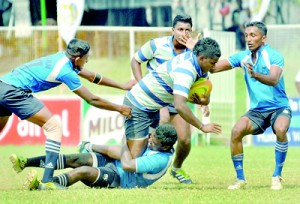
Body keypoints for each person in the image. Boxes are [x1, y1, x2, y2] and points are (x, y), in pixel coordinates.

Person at [1, 38, 135, 190]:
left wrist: (122, 86)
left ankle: (46, 180)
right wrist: (120, 108)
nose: (87, 60)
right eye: (86, 58)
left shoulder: (63, 58)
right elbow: (92, 99)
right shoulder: (65, 71)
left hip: (2, 85)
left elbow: (92, 77)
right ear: (77, 58)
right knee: (54, 126)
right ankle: (47, 180)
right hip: (13, 92)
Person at [210, 21, 291, 190]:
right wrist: (197, 53)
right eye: (246, 35)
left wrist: (256, 75)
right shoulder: (243, 57)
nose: (248, 39)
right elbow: (214, 68)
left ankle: (276, 176)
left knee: (281, 129)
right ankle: (240, 179)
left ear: (263, 38)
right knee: (236, 131)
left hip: (278, 107)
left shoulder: (274, 55)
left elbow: (274, 79)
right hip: (257, 111)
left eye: (253, 35)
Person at [125, 37, 222, 176]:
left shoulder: (199, 65)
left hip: (152, 107)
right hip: (138, 104)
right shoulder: (186, 71)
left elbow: (204, 94)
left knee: (140, 153)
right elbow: (180, 106)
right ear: (201, 58)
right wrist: (202, 126)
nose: (214, 67)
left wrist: (204, 101)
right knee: (133, 156)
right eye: (212, 63)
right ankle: (96, 154)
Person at [130, 14, 203, 184]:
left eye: (187, 30)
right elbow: (135, 61)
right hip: (155, 98)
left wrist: (203, 103)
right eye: (180, 29)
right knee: (161, 120)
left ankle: (176, 168)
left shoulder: (193, 51)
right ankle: (142, 164)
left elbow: (200, 78)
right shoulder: (156, 44)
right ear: (172, 30)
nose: (183, 33)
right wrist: (142, 86)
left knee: (185, 139)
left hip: (177, 100)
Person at [10, 123, 178, 190]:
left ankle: (45, 186)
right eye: (151, 136)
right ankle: (25, 163)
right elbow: (117, 152)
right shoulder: (155, 142)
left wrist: (125, 142)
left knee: (83, 170)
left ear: (165, 146)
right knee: (76, 159)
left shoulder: (160, 159)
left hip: (121, 180)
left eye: (153, 141)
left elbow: (127, 164)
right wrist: (91, 146)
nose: (149, 140)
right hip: (115, 163)